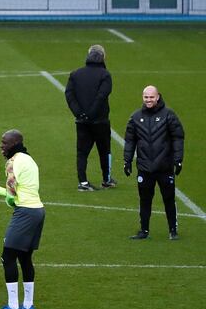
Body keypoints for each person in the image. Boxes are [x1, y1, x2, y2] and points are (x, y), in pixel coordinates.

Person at [0, 130, 45, 309]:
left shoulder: (12, 162)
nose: (1, 146)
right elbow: (24, 189)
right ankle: (27, 304)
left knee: (7, 256)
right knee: (25, 258)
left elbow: (12, 193)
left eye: (5, 143)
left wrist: (7, 198)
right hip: (38, 211)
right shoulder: (29, 159)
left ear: (15, 143)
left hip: (24, 212)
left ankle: (13, 307)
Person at [123, 85, 185, 240]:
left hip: (164, 167)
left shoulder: (169, 115)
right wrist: (127, 160)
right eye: (146, 97)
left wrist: (178, 160)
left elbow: (178, 137)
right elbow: (130, 141)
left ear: (157, 97)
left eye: (151, 97)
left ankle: (173, 230)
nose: (148, 100)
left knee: (169, 199)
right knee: (144, 200)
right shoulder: (135, 117)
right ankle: (144, 231)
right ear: (142, 98)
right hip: (144, 167)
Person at [65, 44, 115, 191]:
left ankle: (83, 182)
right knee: (104, 150)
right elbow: (101, 96)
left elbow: (69, 95)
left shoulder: (76, 74)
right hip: (100, 121)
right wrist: (91, 114)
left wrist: (79, 113)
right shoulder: (105, 75)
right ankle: (106, 179)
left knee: (82, 152)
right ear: (103, 57)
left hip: (81, 122)